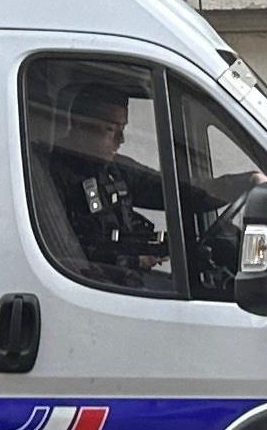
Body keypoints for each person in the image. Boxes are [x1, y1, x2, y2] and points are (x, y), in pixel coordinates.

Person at [26, 71, 170, 289]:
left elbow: (178, 191)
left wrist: (232, 186)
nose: (120, 140)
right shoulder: (49, 178)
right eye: (110, 129)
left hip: (122, 277)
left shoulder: (114, 168)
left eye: (122, 129)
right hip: (92, 285)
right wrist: (135, 260)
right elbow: (69, 257)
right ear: (80, 125)